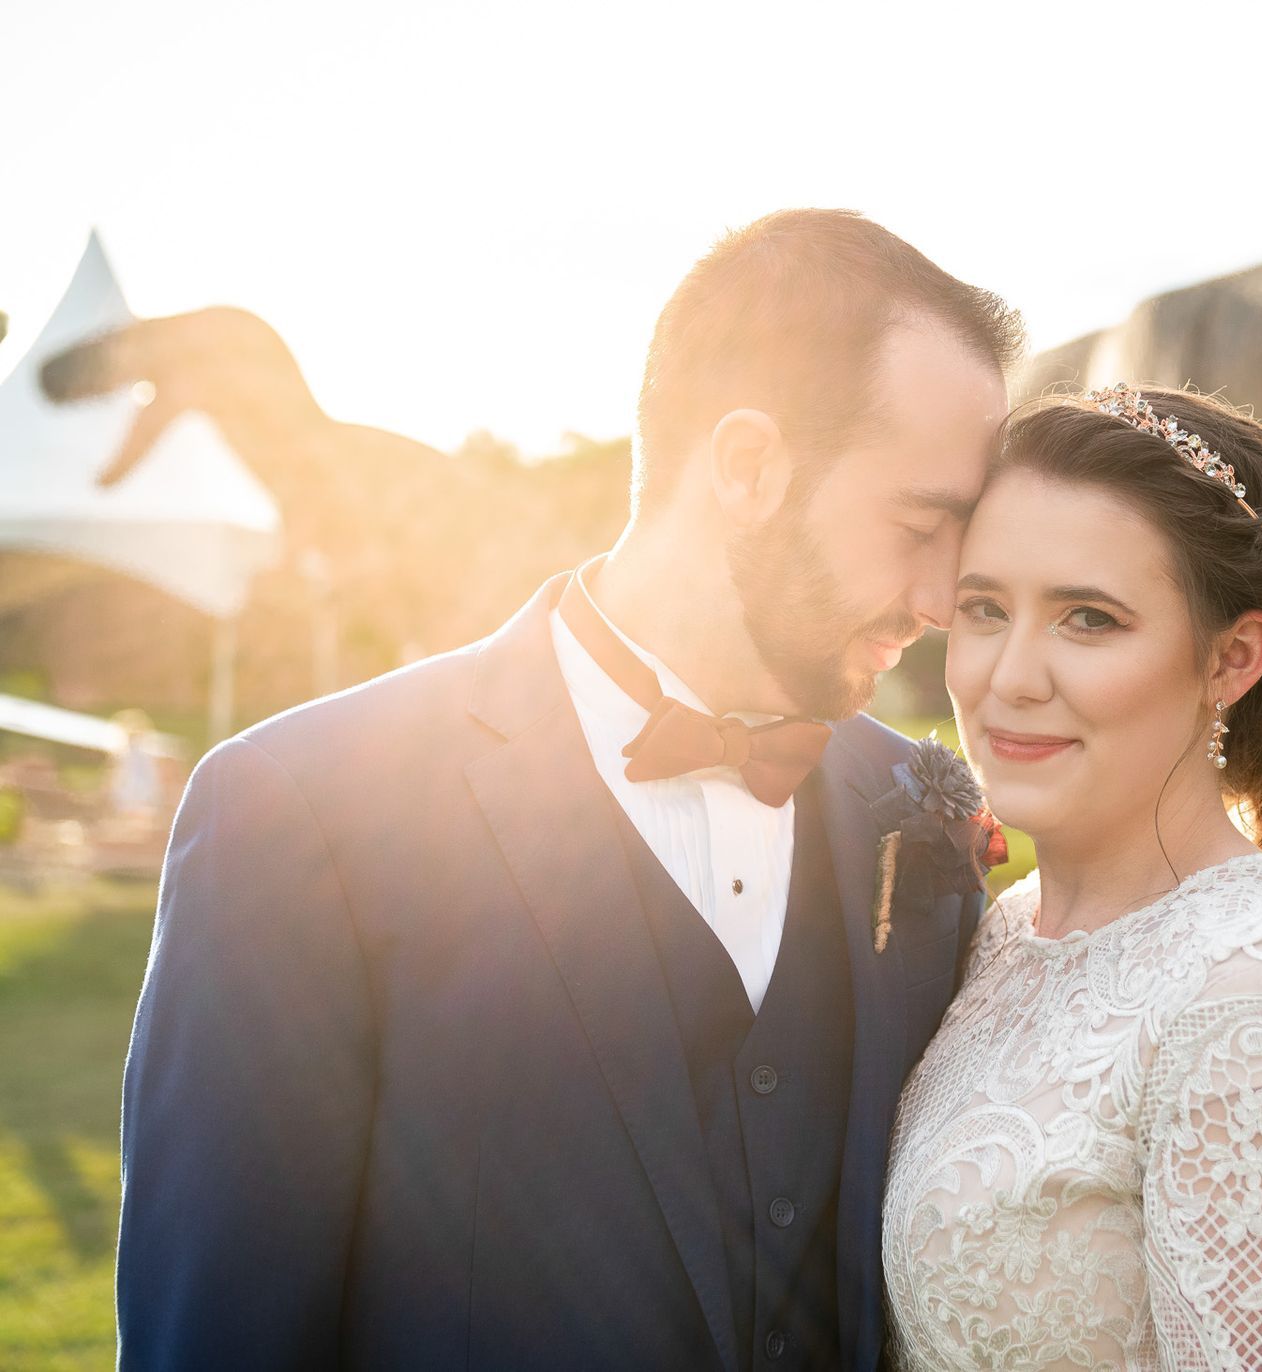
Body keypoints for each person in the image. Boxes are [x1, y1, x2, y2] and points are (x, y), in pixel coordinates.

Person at [115, 209, 1023, 1372]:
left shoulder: (921, 810)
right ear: (747, 467)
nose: (944, 597)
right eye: (920, 525)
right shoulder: (301, 813)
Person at [882, 384, 1262, 1370]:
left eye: (1089, 618)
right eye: (984, 607)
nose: (1010, 675)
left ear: (1232, 658)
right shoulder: (1007, 930)